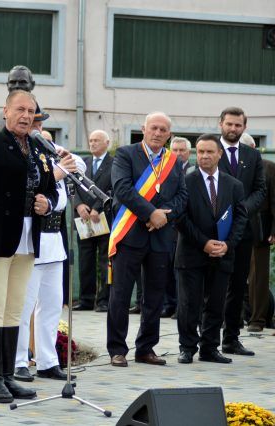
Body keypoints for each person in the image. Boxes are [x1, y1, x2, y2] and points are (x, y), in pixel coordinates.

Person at [0, 90, 58, 403]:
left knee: (15, 309)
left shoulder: (39, 147)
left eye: (31, 111)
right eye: (20, 109)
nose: (26, 116)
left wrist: (49, 202)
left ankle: (8, 375)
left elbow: (51, 190)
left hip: (29, 239)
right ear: (5, 111)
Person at [107, 112, 188, 367]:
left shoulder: (173, 160)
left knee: (154, 297)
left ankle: (146, 348)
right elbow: (122, 189)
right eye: (153, 127)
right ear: (143, 129)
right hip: (130, 234)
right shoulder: (125, 154)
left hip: (161, 237)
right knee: (120, 295)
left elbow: (182, 196)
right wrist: (150, 213)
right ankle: (117, 350)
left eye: (163, 130)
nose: (158, 133)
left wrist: (164, 216)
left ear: (169, 134)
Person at [14, 112, 83, 383]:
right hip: (30, 240)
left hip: (54, 239)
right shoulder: (21, 155)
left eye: (41, 124)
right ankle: (19, 360)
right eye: (34, 124)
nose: (38, 129)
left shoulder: (48, 151)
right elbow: (30, 186)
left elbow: (79, 165)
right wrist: (56, 172)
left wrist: (58, 153)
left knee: (52, 305)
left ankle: (47, 360)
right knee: (23, 306)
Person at [175, 135, 247, 364]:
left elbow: (240, 218)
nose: (204, 156)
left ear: (219, 154)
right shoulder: (185, 181)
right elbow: (180, 218)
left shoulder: (234, 185)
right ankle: (187, 348)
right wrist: (204, 242)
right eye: (200, 152)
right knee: (189, 304)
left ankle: (210, 348)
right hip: (192, 253)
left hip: (223, 254)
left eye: (209, 152)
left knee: (216, 303)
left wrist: (228, 245)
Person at [216, 107, 265, 356]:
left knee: (237, 286)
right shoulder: (210, 149)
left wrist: (242, 209)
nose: (233, 129)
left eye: (238, 125)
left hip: (243, 231)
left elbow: (260, 190)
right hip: (214, 229)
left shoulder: (252, 156)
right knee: (213, 286)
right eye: (229, 124)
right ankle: (206, 340)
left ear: (244, 127)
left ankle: (231, 339)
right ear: (220, 124)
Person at [74, 130, 113, 312]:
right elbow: (74, 185)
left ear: (107, 143)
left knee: (105, 261)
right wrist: (79, 205)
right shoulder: (84, 163)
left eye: (97, 140)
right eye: (90, 140)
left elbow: (112, 188)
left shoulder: (114, 164)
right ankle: (86, 300)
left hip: (103, 218)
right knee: (85, 260)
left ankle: (104, 300)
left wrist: (98, 207)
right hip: (84, 220)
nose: (93, 143)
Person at [239, 133, 275, 332]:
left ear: (254, 146)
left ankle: (257, 319)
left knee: (258, 276)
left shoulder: (269, 167)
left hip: (260, 228)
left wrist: (273, 230)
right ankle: (233, 319)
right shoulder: (232, 167)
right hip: (234, 227)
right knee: (232, 273)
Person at [161, 136, 193, 319]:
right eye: (175, 150)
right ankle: (168, 305)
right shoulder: (163, 170)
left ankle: (182, 306)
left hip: (185, 228)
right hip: (166, 227)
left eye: (182, 150)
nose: (179, 154)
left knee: (180, 271)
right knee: (165, 268)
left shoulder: (194, 171)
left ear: (189, 152)